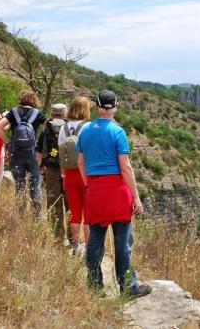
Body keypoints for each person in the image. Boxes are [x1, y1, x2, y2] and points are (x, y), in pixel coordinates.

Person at [77, 90, 150, 298]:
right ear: (115, 107)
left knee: (95, 241)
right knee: (123, 243)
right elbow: (125, 168)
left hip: (95, 189)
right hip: (117, 191)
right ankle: (128, 287)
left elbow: (81, 163)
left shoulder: (85, 131)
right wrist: (136, 197)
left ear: (96, 106)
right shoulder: (118, 132)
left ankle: (94, 286)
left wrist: (88, 184)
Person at [0, 90, 46, 218]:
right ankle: (37, 217)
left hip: (16, 154)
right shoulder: (37, 114)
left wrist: (8, 143)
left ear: (21, 99)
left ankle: (21, 216)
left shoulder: (14, 112)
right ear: (34, 100)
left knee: (19, 186)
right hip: (33, 155)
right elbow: (49, 127)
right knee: (35, 187)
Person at [58, 97, 91, 255]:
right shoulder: (87, 127)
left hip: (69, 174)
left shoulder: (63, 128)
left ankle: (76, 245)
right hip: (85, 173)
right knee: (89, 213)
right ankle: (89, 247)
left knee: (75, 212)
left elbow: (60, 153)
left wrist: (64, 173)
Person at [36, 103, 68, 242]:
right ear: (64, 114)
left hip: (51, 169)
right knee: (71, 203)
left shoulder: (46, 130)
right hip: (69, 170)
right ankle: (74, 239)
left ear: (52, 113)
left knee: (53, 201)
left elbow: (39, 153)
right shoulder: (70, 128)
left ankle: (57, 236)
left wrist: (40, 170)